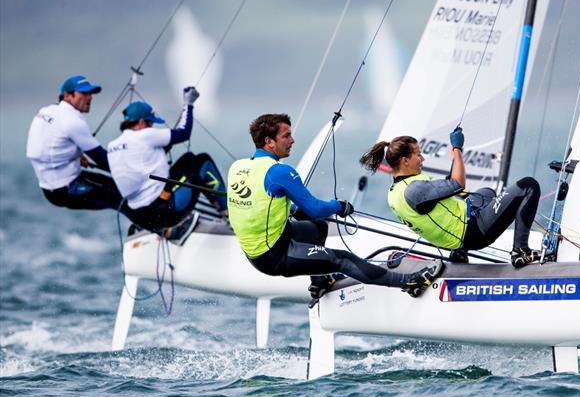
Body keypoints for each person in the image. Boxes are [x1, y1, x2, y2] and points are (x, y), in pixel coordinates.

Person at [226, 113, 443, 298]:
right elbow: (315, 209)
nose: (292, 140)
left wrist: (291, 210)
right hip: (273, 255)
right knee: (341, 258)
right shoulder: (280, 172)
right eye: (286, 136)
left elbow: (256, 203)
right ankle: (409, 282)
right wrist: (339, 206)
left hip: (258, 246)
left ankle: (320, 282)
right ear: (269, 142)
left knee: (318, 228)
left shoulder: (239, 166)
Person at [360, 127, 542, 267]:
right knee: (528, 186)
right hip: (473, 232)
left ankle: (459, 254)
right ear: (405, 160)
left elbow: (447, 188)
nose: (422, 159)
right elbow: (457, 184)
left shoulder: (397, 191)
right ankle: (520, 251)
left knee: (487, 193)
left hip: (459, 232)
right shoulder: (414, 190)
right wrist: (457, 149)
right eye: (417, 154)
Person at [107, 87, 227, 241]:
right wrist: (188, 104)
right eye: (151, 124)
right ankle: (230, 214)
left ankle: (169, 231)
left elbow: (144, 162)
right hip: (166, 212)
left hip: (143, 216)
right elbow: (184, 132)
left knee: (188, 159)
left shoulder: (113, 146)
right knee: (203, 161)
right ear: (142, 122)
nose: (152, 128)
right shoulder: (144, 135)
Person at [27, 75, 132, 216]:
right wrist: (135, 172)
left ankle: (146, 227)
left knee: (120, 187)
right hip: (67, 189)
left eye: (91, 93)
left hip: (55, 186)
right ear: (67, 95)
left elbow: (48, 143)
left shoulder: (47, 111)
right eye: (84, 93)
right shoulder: (72, 121)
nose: (89, 97)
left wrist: (75, 154)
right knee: (124, 196)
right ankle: (162, 231)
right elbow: (104, 160)